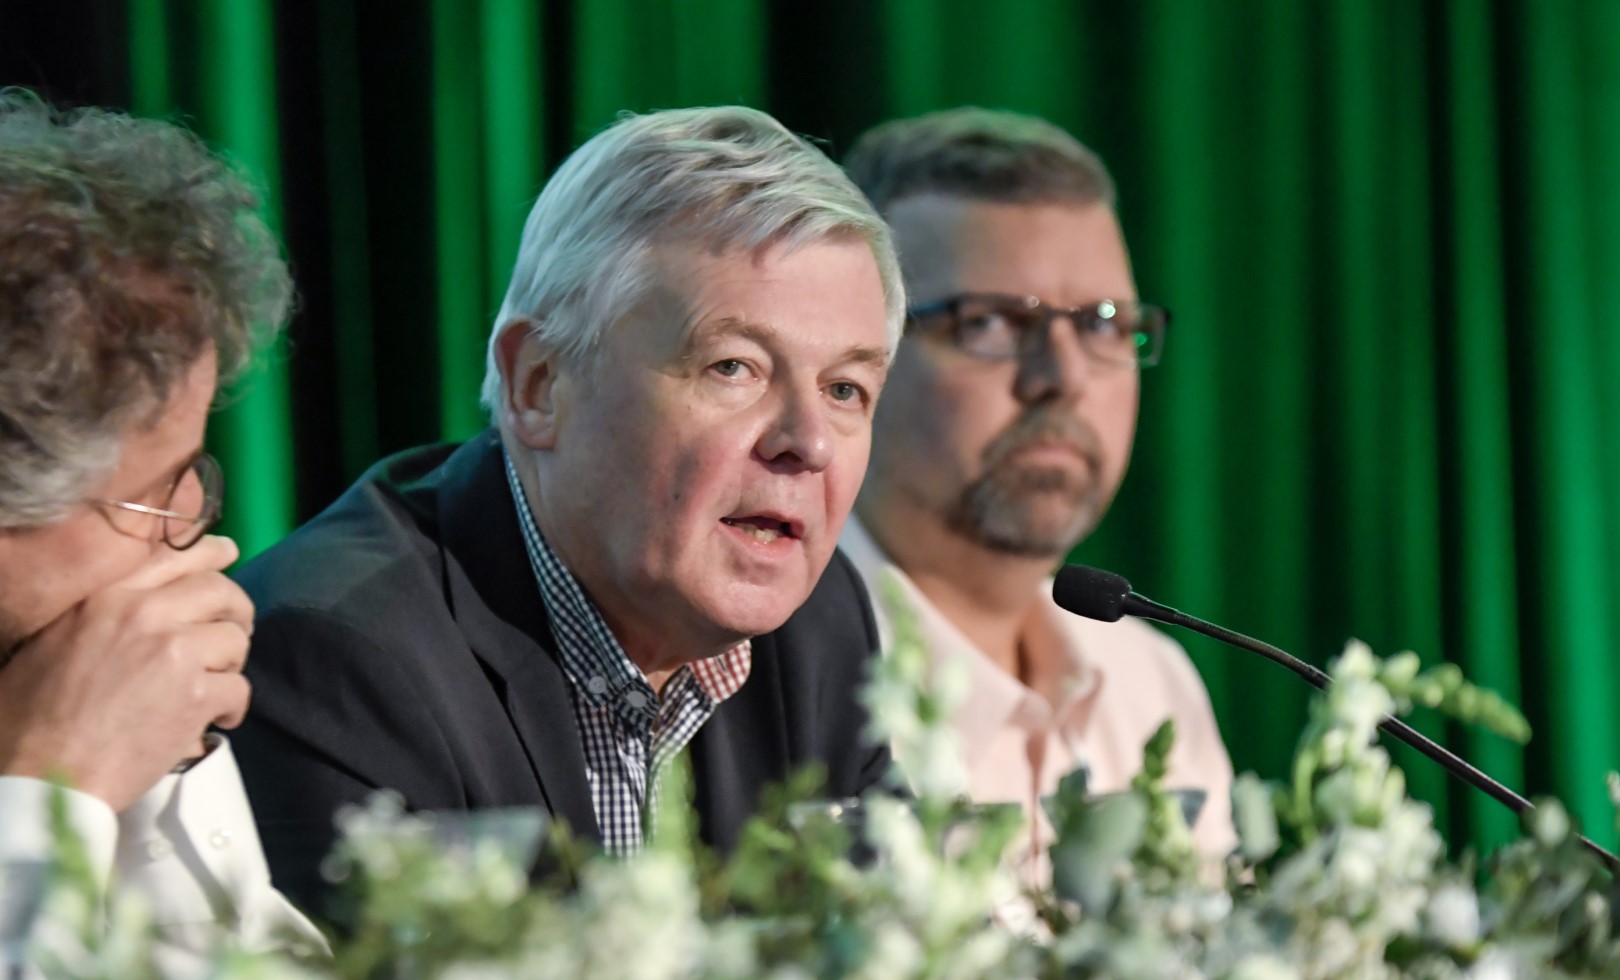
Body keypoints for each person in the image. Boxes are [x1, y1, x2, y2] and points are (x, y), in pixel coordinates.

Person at [233, 106, 904, 916]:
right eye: (734, 367)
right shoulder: (339, 658)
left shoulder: (818, 628)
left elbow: (894, 961)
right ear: (539, 386)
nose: (810, 443)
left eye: (845, 389)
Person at [0, 90, 321, 980]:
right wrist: (48, 788)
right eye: (153, 493)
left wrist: (155, 767)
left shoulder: (85, 653)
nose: (191, 532)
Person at [839, 108, 1236, 873]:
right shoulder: (766, 679)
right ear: (856, 358)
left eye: (1104, 324)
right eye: (990, 322)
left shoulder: (1148, 682)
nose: (1064, 378)